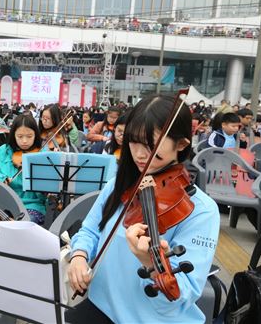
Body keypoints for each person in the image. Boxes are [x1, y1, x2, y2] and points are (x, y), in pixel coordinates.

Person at [66, 94, 219, 324]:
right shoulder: (121, 183)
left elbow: (180, 296)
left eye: (150, 145)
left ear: (181, 144)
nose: (138, 154)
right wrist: (79, 255)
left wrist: (150, 263)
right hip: (100, 306)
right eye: (133, 141)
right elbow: (90, 230)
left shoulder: (202, 211)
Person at [0, 114, 48, 225]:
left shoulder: (42, 152)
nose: (24, 141)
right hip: (3, 202)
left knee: (22, 225)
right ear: (13, 135)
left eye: (29, 136)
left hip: (31, 205)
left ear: (36, 135)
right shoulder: (5, 150)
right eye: (20, 136)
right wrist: (1, 178)